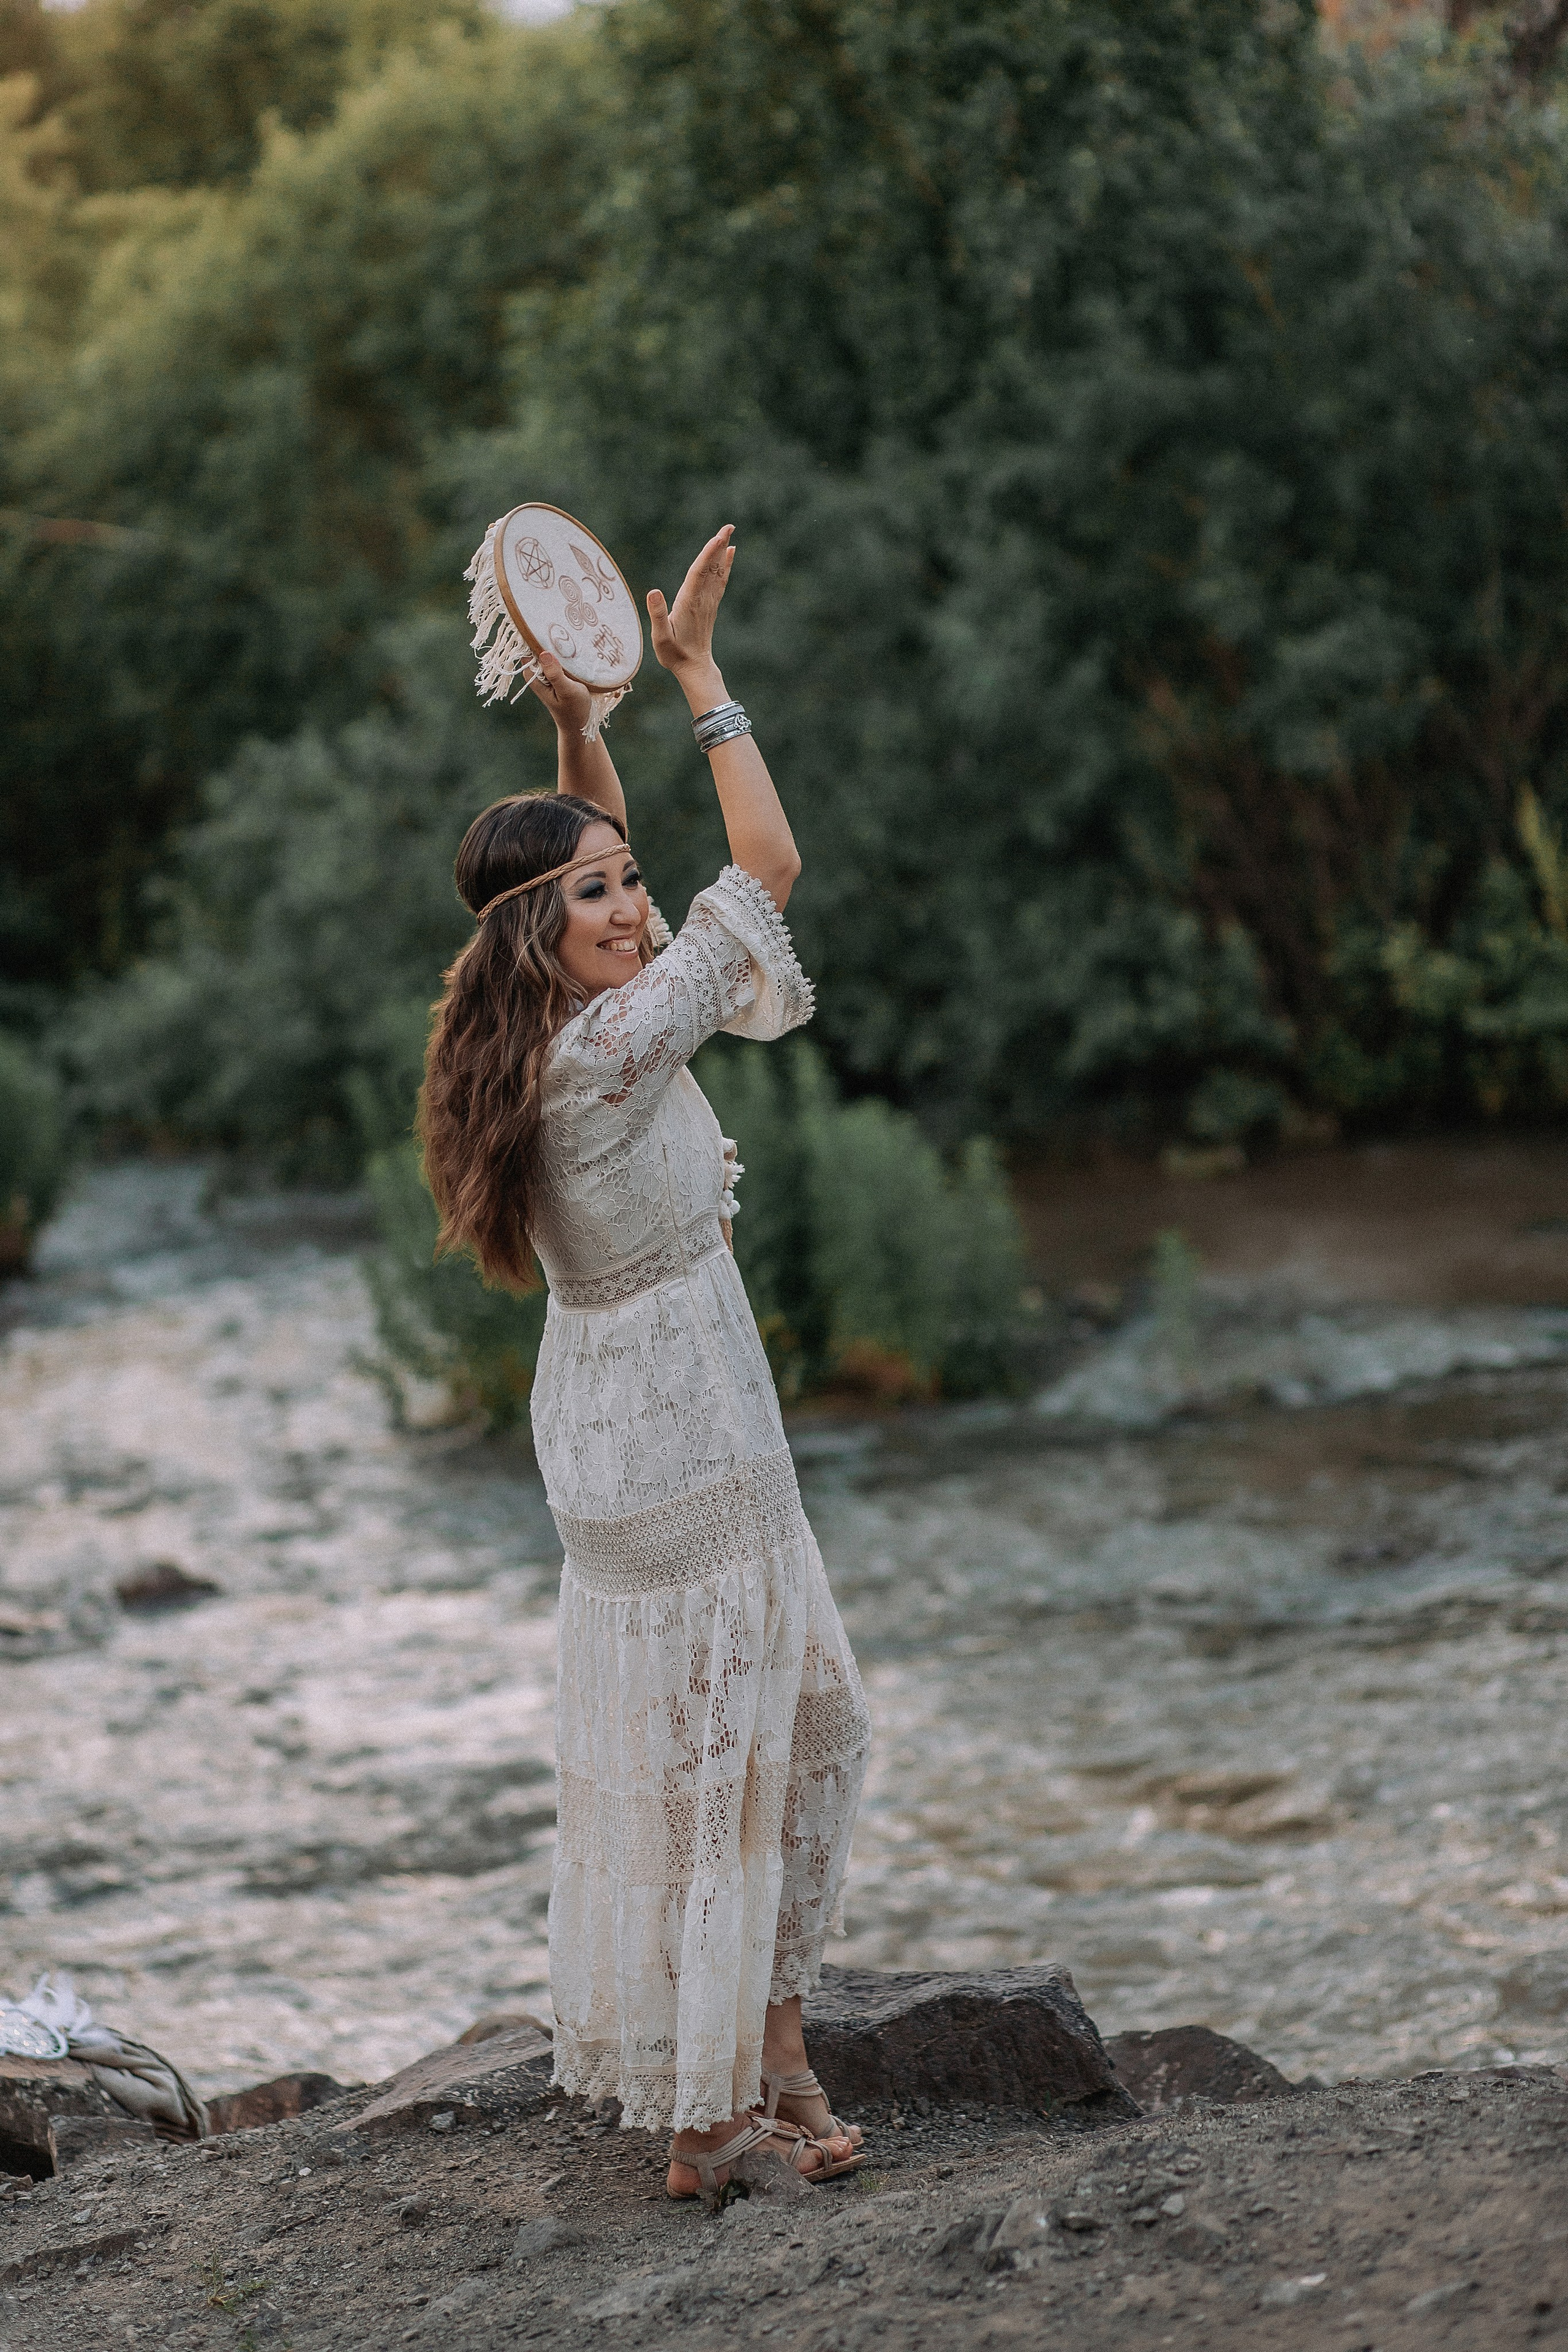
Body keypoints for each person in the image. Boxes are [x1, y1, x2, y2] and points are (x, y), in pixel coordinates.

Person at [419, 526, 873, 2199]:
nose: (636, 902)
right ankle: (713, 2124)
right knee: (743, 1751)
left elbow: (591, 862)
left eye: (629, 882)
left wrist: (575, 736)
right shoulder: (614, 1042)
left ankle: (766, 2053)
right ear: (555, 932)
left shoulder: (523, 1035)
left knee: (774, 1728)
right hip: (679, 1417)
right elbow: (770, 861)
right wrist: (696, 683)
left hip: (629, 1411)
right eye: (606, 891)